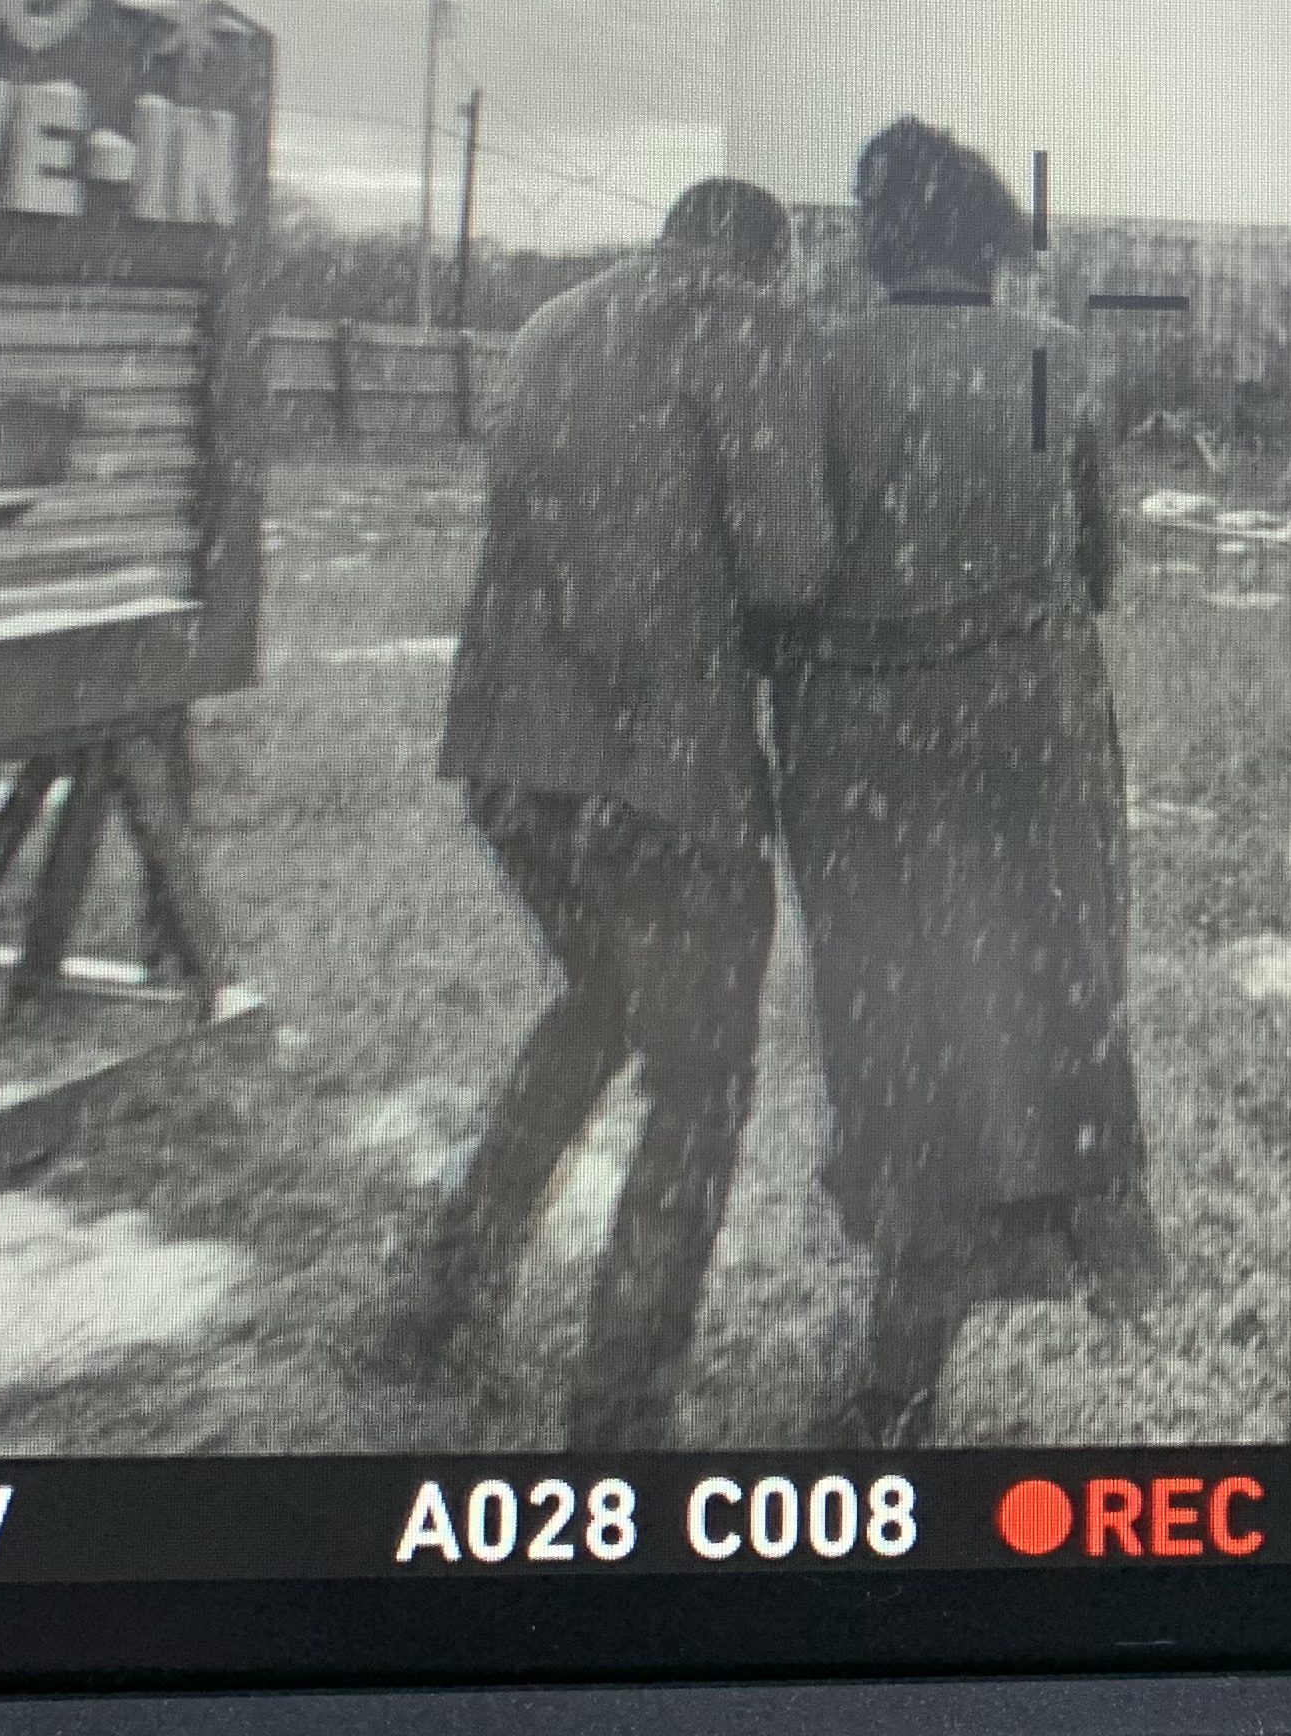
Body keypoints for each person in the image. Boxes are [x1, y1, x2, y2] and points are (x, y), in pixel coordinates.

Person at [380, 176, 832, 1446]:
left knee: (597, 1009)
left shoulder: (551, 324)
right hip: (661, 780)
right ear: (765, 258)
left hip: (509, 767)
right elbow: (789, 567)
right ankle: (620, 1413)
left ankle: (443, 1296)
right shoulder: (747, 325)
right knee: (701, 1081)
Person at [775, 116, 1165, 1448]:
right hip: (1032, 748)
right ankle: (925, 1327)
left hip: (868, 756)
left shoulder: (820, 368)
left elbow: (786, 575)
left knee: (899, 1033)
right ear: (985, 239)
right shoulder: (1054, 362)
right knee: (1028, 1023)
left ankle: (901, 1342)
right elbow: (1099, 569)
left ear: (879, 235)